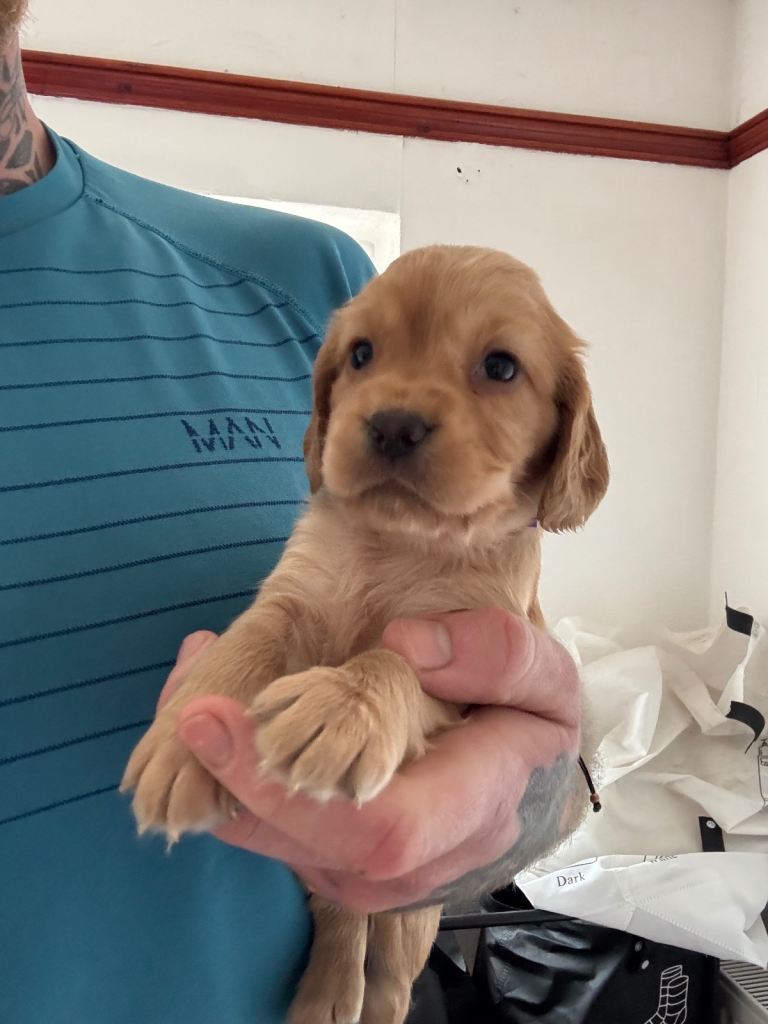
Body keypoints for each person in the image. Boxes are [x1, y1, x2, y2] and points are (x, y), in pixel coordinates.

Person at [0, 5, 583, 1022]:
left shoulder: (310, 283)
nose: (396, 402)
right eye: (366, 362)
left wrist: (529, 789)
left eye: (493, 368)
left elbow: (534, 769)